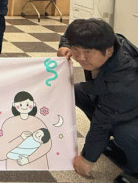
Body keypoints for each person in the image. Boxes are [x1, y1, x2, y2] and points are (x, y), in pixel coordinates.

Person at [57, 19, 138, 182]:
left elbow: (102, 122)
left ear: (109, 51)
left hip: (128, 103)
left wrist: (87, 158)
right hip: (118, 102)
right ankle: (117, 145)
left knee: (124, 131)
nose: (80, 57)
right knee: (74, 91)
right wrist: (65, 46)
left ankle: (135, 171)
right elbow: (70, 35)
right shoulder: (104, 39)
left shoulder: (124, 77)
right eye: (76, 50)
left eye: (87, 52)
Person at [0, 91, 52, 170]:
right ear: (14, 105)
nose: (24, 107)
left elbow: (47, 145)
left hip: (38, 167)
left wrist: (28, 159)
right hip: (15, 169)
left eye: (27, 104)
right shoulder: (8, 123)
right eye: (20, 104)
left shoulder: (38, 122)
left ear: (33, 104)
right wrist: (20, 138)